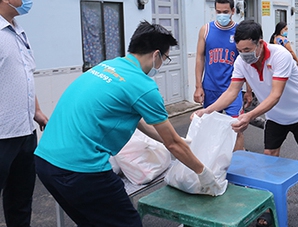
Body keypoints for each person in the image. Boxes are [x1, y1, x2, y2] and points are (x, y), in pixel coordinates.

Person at [34, 21, 222, 227]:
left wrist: (175, 140)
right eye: (165, 58)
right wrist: (203, 173)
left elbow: (139, 119)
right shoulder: (143, 85)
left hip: (45, 162)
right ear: (156, 54)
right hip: (81, 171)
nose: (161, 64)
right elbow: (173, 145)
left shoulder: (107, 66)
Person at [193, 20, 298, 222]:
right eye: (239, 50)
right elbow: (231, 92)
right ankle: (267, 205)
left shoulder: (280, 55)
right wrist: (207, 111)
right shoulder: (241, 62)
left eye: (247, 49)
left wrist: (248, 116)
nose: (243, 54)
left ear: (260, 43)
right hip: (275, 116)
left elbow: (275, 96)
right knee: (269, 156)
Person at [0, 0, 49, 227]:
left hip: (25, 131)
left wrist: (37, 111)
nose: (27, 0)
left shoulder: (18, 31)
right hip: (1, 134)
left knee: (21, 198)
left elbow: (26, 75)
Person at [193, 0, 252, 148]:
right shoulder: (205, 30)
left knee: (236, 129)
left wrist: (249, 90)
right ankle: (214, 164)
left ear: (233, 11)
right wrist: (198, 86)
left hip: (232, 89)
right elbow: (199, 58)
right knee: (209, 129)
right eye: (218, 11)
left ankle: (239, 163)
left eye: (225, 12)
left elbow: (247, 63)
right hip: (210, 88)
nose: (221, 15)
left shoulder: (240, 32)